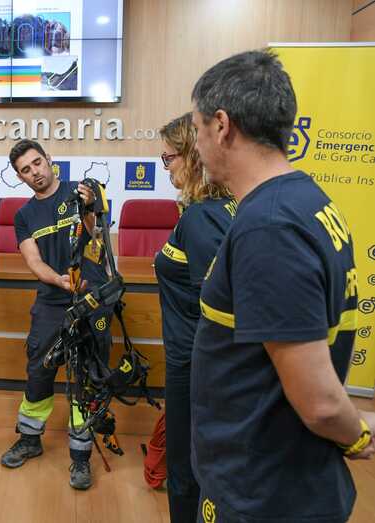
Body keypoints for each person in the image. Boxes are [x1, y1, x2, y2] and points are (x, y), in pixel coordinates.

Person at [190, 50, 375, 523]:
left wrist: (358, 435)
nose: (196, 145)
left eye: (196, 128)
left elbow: (320, 403)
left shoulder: (268, 227)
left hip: (262, 490)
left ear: (221, 125)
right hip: (279, 476)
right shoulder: (305, 199)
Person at [0, 139, 112, 490]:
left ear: (48, 159)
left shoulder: (81, 192)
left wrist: (91, 206)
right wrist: (59, 280)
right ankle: (30, 438)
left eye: (37, 163)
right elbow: (33, 261)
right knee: (39, 369)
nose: (35, 172)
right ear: (20, 177)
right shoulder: (23, 216)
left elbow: (96, 232)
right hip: (51, 301)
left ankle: (81, 455)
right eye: (25, 170)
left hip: (91, 299)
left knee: (87, 376)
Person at [153, 112, 235, 522]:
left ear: (193, 154)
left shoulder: (201, 217)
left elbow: (219, 303)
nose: (166, 167)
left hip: (194, 365)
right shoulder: (225, 205)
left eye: (169, 157)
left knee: (185, 469)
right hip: (201, 363)